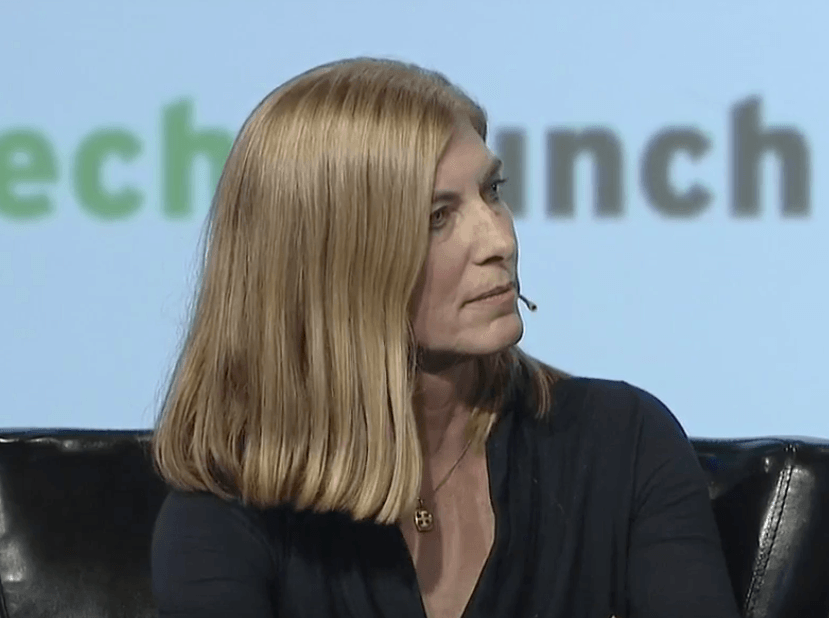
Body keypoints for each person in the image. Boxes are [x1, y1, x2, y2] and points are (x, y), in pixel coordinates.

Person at [149, 57, 741, 618]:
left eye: (492, 191)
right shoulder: (229, 514)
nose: (499, 241)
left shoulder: (621, 444)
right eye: (438, 216)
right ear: (333, 266)